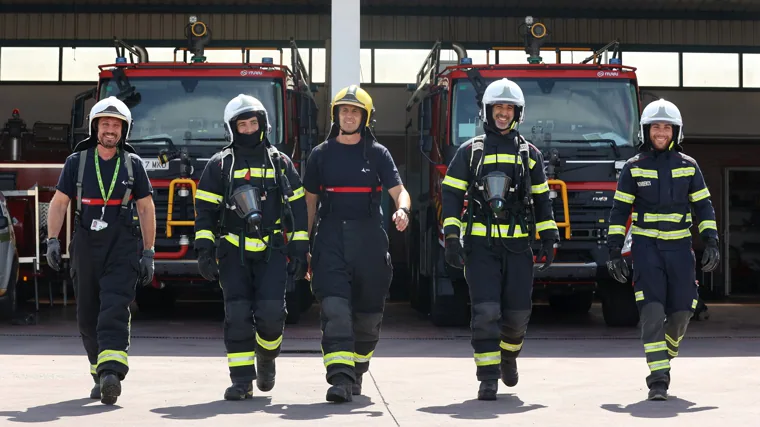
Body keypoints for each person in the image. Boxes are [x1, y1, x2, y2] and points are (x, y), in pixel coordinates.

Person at [441, 78, 559, 401]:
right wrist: (452, 236)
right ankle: (488, 378)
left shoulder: (529, 155)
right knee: (485, 312)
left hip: (519, 248)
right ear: (487, 111)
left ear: (517, 113)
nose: (503, 114)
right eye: (498, 108)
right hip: (480, 250)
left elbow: (542, 198)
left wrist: (549, 237)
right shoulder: (470, 152)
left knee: (518, 314)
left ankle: (508, 357)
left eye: (509, 108)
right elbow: (450, 193)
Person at [193, 94, 309, 400]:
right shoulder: (220, 165)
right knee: (238, 314)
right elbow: (204, 212)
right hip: (233, 253)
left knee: (272, 315)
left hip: (272, 250)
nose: (247, 129)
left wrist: (299, 249)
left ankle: (267, 358)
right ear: (232, 128)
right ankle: (242, 380)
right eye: (241, 124)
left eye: (252, 123)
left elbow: (298, 208)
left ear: (263, 124)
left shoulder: (280, 162)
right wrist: (204, 251)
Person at [302, 85, 411, 403]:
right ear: (336, 115)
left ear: (365, 118)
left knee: (368, 319)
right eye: (343, 110)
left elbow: (399, 191)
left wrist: (402, 210)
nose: (348, 116)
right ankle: (339, 379)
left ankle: (357, 370)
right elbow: (309, 203)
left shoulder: (377, 153)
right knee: (334, 310)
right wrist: (303, 245)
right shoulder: (320, 154)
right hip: (330, 239)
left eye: (355, 111)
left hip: (370, 242)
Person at [45, 96, 156, 405]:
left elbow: (146, 209)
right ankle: (98, 372)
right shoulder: (76, 163)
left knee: (114, 307)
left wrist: (148, 252)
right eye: (105, 124)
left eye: (116, 125)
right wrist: (51, 240)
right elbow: (60, 203)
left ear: (124, 130)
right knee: (87, 314)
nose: (110, 129)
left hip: (122, 244)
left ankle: (112, 373)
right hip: (85, 242)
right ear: (95, 128)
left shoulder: (133, 164)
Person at [606, 98, 719, 401]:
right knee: (652, 313)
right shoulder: (633, 167)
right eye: (655, 127)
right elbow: (619, 212)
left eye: (666, 127)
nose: (661, 132)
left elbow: (704, 207)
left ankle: (665, 355)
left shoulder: (689, 166)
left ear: (675, 132)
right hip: (647, 251)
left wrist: (711, 242)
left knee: (683, 313)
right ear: (646, 131)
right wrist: (614, 251)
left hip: (681, 250)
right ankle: (658, 379)